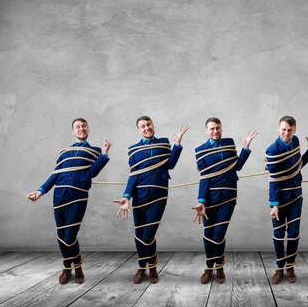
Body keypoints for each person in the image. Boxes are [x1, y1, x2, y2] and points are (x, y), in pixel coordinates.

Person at [28, 118, 111, 284]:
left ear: (88, 129)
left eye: (83, 126)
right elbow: (55, 174)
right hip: (59, 195)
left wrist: (104, 155)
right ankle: (68, 267)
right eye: (77, 127)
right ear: (73, 132)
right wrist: (40, 191)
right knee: (61, 235)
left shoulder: (94, 151)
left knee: (70, 235)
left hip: (78, 195)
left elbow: (92, 173)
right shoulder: (64, 152)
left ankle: (77, 265)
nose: (81, 129)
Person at [114, 116, 189, 284]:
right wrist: (126, 196)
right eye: (142, 126)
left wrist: (177, 145)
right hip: (139, 196)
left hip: (158, 195)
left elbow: (170, 164)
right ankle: (143, 267)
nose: (146, 128)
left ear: (153, 125)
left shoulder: (163, 143)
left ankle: (152, 266)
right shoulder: (133, 150)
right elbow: (133, 176)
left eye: (148, 124)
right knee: (139, 234)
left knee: (148, 235)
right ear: (138, 130)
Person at [192, 117, 258, 284]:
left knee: (218, 235)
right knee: (208, 235)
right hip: (209, 200)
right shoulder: (200, 150)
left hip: (228, 197)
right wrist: (201, 201)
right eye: (212, 129)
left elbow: (237, 166)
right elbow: (204, 177)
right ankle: (210, 267)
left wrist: (246, 148)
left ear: (221, 128)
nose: (215, 131)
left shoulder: (229, 143)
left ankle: (219, 267)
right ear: (206, 131)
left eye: (218, 128)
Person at [265, 116, 308, 284]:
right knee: (278, 234)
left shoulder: (296, 141)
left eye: (290, 130)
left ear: (295, 130)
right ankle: (279, 267)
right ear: (278, 129)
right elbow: (274, 180)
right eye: (283, 130)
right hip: (279, 199)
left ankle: (290, 266)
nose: (286, 133)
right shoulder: (272, 150)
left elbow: (297, 167)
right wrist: (274, 205)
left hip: (296, 197)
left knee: (293, 234)